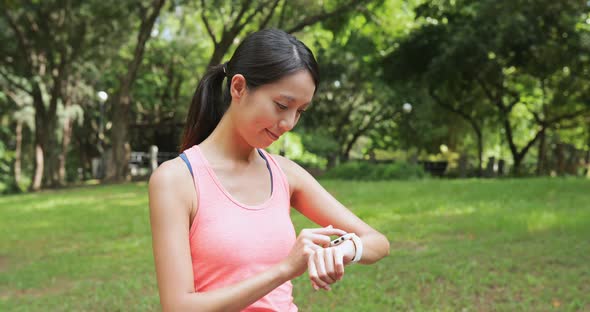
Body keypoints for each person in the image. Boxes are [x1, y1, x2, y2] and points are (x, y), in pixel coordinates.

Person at [148, 29, 390, 312]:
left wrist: (343, 249)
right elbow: (178, 307)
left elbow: (377, 242)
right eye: (282, 105)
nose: (289, 123)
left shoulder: (285, 174)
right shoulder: (176, 180)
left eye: (300, 111)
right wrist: (284, 269)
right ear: (238, 88)